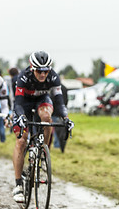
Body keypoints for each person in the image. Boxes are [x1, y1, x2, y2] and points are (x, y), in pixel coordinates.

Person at [12, 50, 73, 203]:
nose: (43, 74)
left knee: (47, 118)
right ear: (32, 68)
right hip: (24, 104)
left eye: (46, 70)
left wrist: (65, 118)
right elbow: (18, 103)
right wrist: (21, 118)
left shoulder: (53, 76)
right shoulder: (23, 77)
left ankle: (43, 152)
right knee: (21, 141)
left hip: (42, 100)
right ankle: (18, 184)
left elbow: (59, 102)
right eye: (39, 71)